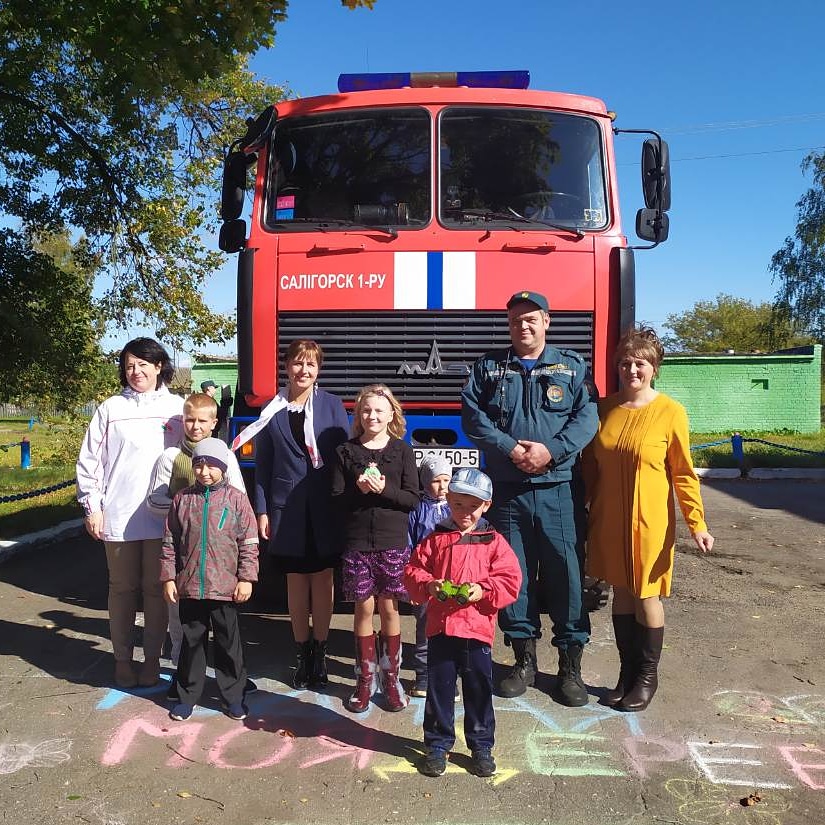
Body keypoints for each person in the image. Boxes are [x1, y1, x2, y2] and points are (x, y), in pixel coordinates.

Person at [461, 290, 598, 706]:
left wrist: (549, 452)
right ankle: (523, 661)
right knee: (512, 575)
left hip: (557, 488)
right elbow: (472, 415)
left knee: (566, 575)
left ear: (546, 321)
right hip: (507, 490)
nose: (524, 325)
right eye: (517, 319)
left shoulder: (571, 367)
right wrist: (511, 448)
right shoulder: (489, 368)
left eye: (532, 318)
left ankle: (570, 667)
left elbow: (586, 417)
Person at [582, 325, 714, 712]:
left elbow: (684, 474)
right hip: (608, 517)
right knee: (621, 591)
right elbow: (591, 466)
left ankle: (646, 676)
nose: (632, 370)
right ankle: (625, 674)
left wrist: (697, 524)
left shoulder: (670, 412)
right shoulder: (604, 409)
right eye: (625, 363)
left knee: (645, 593)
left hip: (650, 521)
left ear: (654, 368)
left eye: (640, 363)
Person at [76, 337, 184, 688]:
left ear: (158, 366)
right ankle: (122, 660)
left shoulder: (176, 408)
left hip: (162, 517)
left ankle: (152, 660)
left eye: (142, 364)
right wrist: (93, 507)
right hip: (118, 515)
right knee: (121, 588)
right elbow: (90, 460)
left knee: (156, 590)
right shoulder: (110, 408)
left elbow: (190, 459)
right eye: (129, 366)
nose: (135, 372)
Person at [404, 468, 522, 778]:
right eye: (457, 505)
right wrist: (429, 585)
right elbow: (414, 570)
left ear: (486, 505)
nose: (464, 513)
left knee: (478, 690)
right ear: (448, 501)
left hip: (476, 631)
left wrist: (483, 589)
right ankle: (438, 745)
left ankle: (481, 745)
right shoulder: (436, 538)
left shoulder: (493, 541)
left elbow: (510, 579)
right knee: (439, 691)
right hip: (441, 630)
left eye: (472, 506)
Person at [253, 340, 349, 688]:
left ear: (318, 370)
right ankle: (301, 652)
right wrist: (262, 509)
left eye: (310, 364)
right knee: (296, 584)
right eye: (297, 363)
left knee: (323, 582)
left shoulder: (332, 406)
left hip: (325, 508)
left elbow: (345, 457)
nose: (303, 370)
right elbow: (263, 466)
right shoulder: (272, 409)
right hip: (286, 511)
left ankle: (320, 653)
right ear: (287, 367)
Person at [146, 391, 247, 690]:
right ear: (182, 421)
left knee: (225, 625)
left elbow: (239, 500)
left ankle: (233, 678)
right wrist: (187, 506)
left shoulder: (226, 457)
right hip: (184, 553)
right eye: (190, 420)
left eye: (203, 421)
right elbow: (153, 501)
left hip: (220, 556)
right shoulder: (170, 457)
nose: (196, 426)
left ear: (214, 423)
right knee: (183, 621)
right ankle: (184, 674)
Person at [332, 384, 420, 713]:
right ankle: (364, 680)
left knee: (390, 608)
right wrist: (358, 489)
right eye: (366, 410)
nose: (372, 416)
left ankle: (392, 678)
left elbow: (412, 499)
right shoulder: (345, 451)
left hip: (392, 541)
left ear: (391, 415)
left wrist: (384, 490)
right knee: (364, 609)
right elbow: (337, 501)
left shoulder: (402, 450)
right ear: (359, 415)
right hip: (357, 544)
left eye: (379, 411)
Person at [160, 438, 259, 722]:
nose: (204, 471)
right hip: (190, 586)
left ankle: (234, 697)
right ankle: (186, 695)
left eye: (212, 465)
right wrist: (169, 578)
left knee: (229, 645)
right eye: (199, 465)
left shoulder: (237, 500)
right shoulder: (182, 500)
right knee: (192, 644)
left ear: (223, 468)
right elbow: (169, 542)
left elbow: (249, 542)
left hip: (226, 588)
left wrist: (246, 578)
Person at [406, 454, 453, 698]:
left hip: (452, 579)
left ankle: (448, 677)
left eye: (446, 480)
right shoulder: (416, 509)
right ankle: (423, 676)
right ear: (425, 482)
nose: (442, 487)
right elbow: (409, 545)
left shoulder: (455, 508)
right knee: (425, 627)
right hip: (426, 581)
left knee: (450, 628)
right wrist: (413, 584)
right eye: (436, 481)